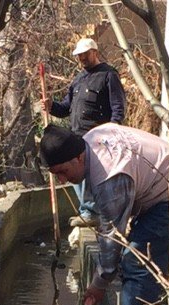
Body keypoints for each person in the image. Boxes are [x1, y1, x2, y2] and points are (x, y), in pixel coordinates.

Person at [39, 123, 169, 305]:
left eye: (63, 171)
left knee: (139, 262)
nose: (61, 179)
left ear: (79, 157)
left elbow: (113, 236)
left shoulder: (110, 176)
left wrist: (99, 282)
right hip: (165, 190)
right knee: (136, 262)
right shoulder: (92, 140)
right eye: (54, 174)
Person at [42, 38, 125, 226]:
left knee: (92, 174)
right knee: (76, 173)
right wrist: (51, 106)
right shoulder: (79, 79)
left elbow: (118, 107)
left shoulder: (108, 75)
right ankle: (86, 210)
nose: (82, 59)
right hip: (77, 136)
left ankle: (92, 212)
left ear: (95, 52)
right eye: (79, 56)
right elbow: (65, 108)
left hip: (98, 136)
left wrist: (112, 130)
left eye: (85, 54)